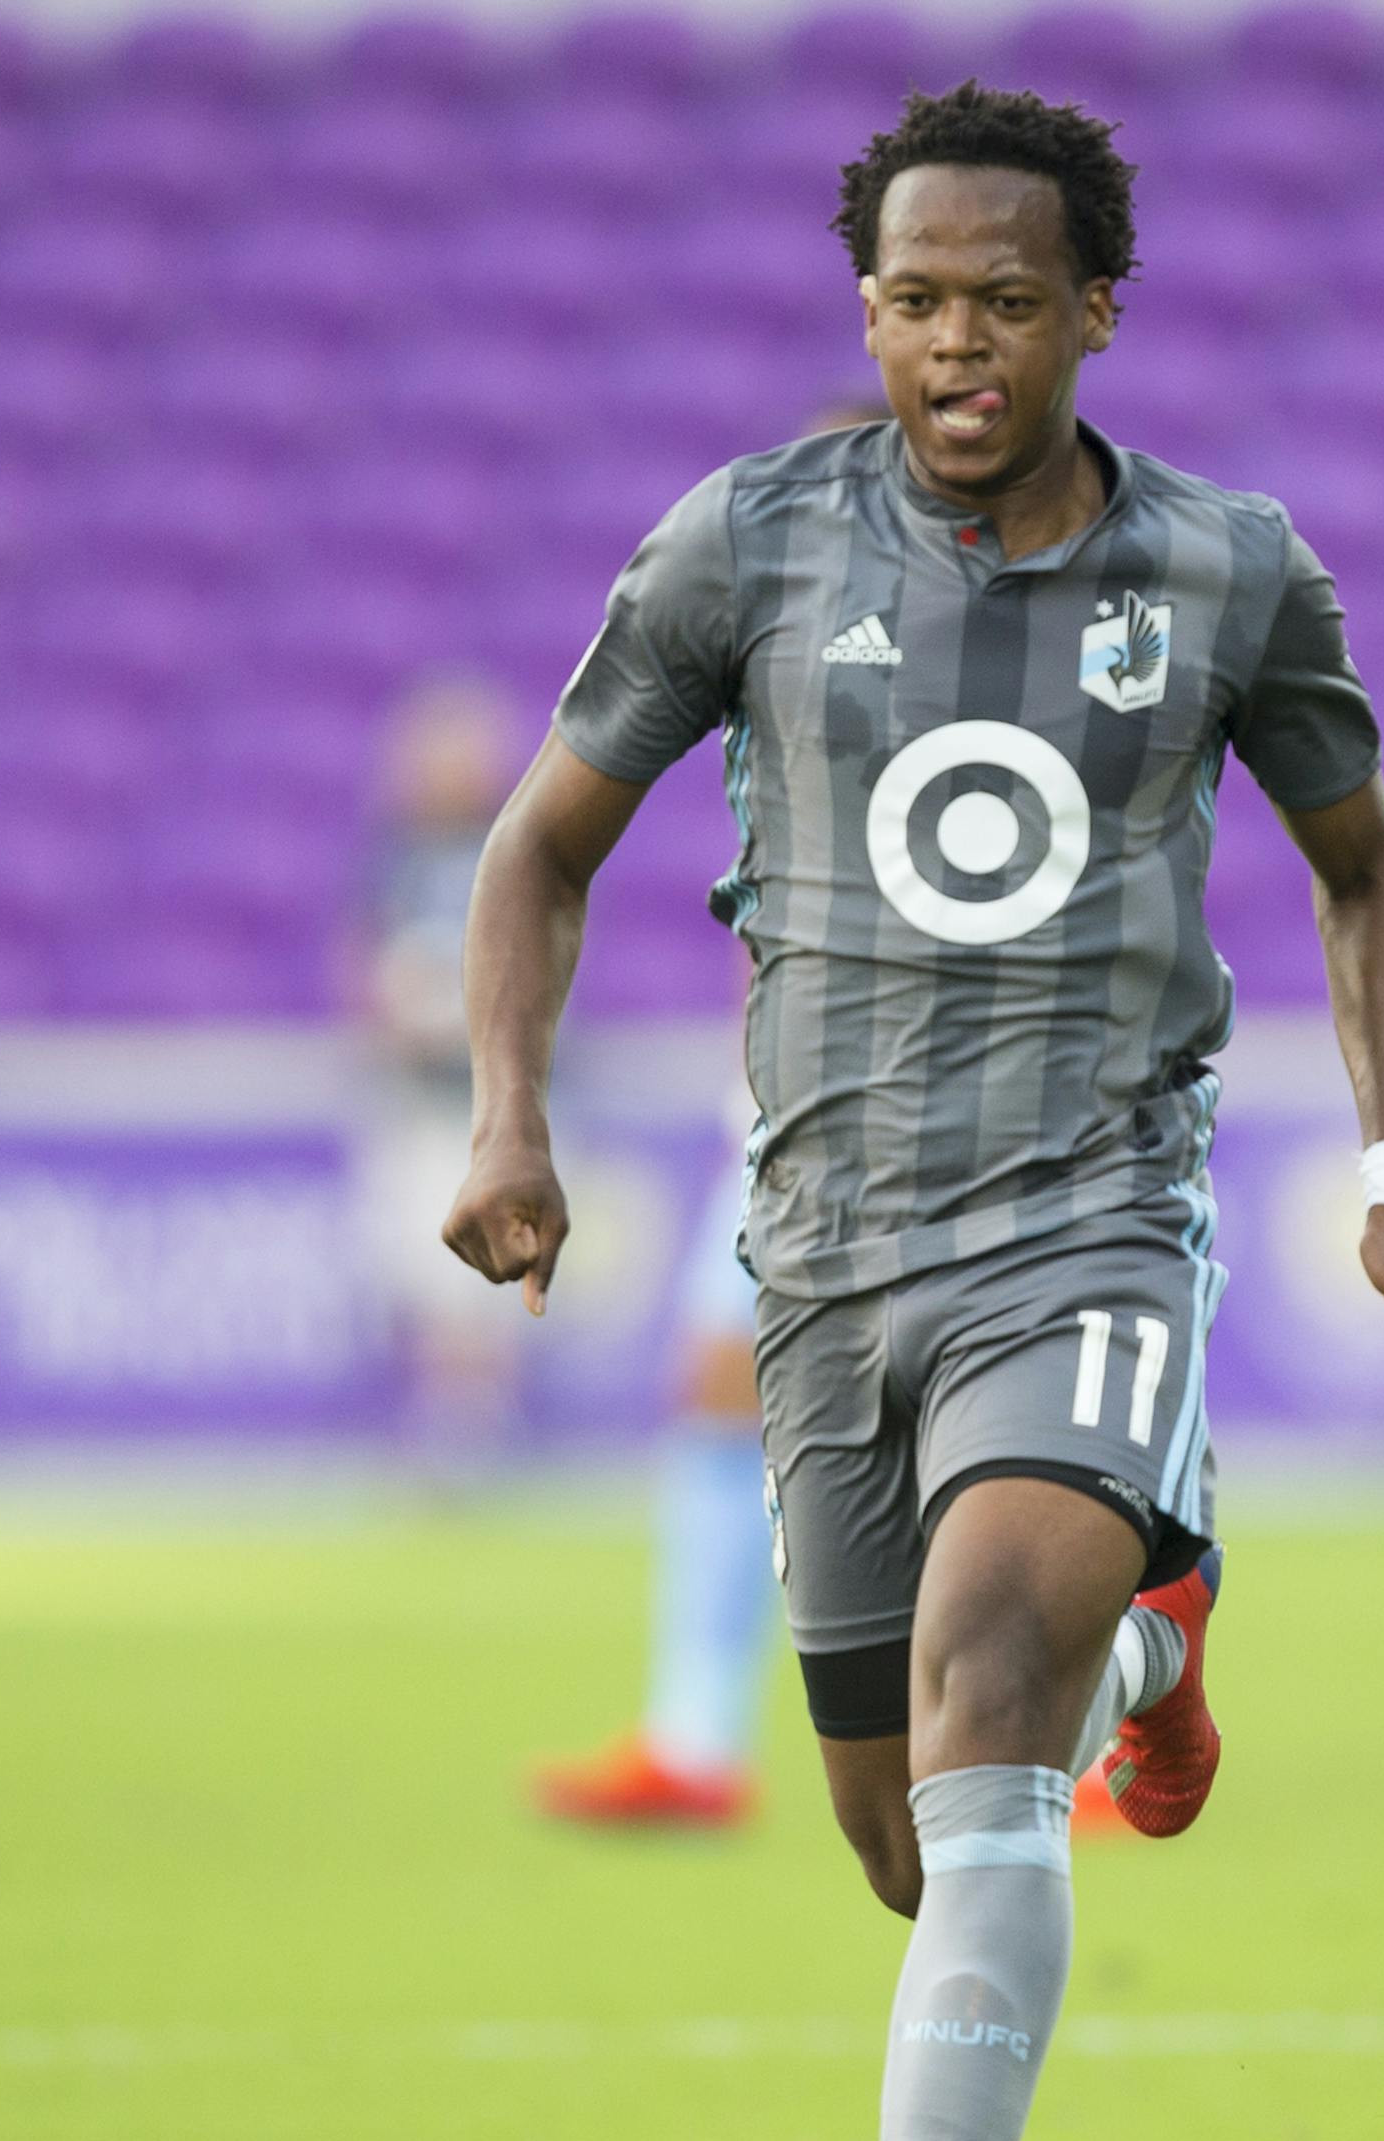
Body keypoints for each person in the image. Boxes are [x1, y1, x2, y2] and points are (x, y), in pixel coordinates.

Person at [443, 81, 1384, 2141]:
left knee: (983, 1662)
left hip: (1091, 1222)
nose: (954, 342)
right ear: (866, 306)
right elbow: (534, 851)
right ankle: (1155, 1642)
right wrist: (506, 1112)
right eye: (911, 298)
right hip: (823, 1262)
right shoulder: (743, 547)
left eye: (1004, 300)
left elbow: (1366, 875)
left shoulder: (1228, 573)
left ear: (1095, 309)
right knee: (910, 1830)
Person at [532, 402, 889, 1834]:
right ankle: (692, 1734)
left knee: (994, 1412)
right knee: (716, 1383)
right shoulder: (775, 643)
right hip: (786, 1096)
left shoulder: (984, 654)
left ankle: (1100, 1719)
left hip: (954, 1089)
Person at [359, 675, 524, 1462]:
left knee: (488, 1269)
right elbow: (364, 963)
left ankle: (478, 1425)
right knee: (428, 1268)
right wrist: (394, 1014)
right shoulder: (398, 857)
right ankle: (444, 1422)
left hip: (495, 1104)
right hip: (423, 1097)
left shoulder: (517, 850)